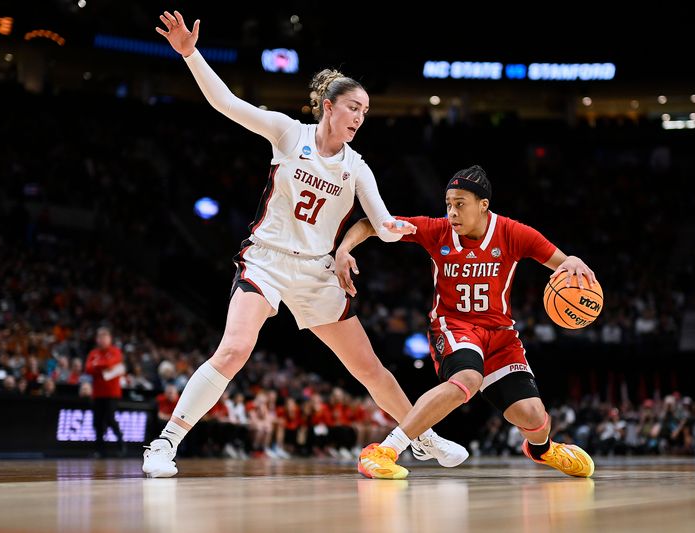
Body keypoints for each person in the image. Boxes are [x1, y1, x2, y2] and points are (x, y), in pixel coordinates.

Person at [143, 10, 466, 477]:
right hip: (267, 261)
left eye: (366, 111)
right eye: (355, 106)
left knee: (369, 368)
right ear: (329, 106)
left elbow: (383, 223)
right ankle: (165, 443)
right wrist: (191, 55)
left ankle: (423, 437)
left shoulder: (358, 168)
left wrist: (427, 228)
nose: (361, 116)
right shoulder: (288, 133)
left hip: (316, 272)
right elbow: (227, 104)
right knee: (234, 349)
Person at [335, 165, 597, 479]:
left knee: (533, 416)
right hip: (453, 326)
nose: (452, 212)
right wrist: (344, 248)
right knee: (468, 379)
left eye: (460, 204)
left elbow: (561, 261)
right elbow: (370, 224)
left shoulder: (512, 232)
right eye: (448, 204)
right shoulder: (436, 230)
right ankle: (385, 450)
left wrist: (573, 261)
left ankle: (543, 450)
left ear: (483, 205)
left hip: (500, 335)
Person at [85, 327, 126, 457]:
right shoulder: (93, 353)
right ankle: (100, 450)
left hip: (112, 393)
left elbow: (109, 363)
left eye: (105, 337)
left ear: (110, 338)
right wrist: (101, 366)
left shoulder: (115, 351)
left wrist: (98, 365)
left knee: (110, 419)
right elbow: (88, 369)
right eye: (100, 337)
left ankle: (121, 445)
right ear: (97, 339)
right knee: (97, 422)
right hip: (97, 393)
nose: (102, 340)